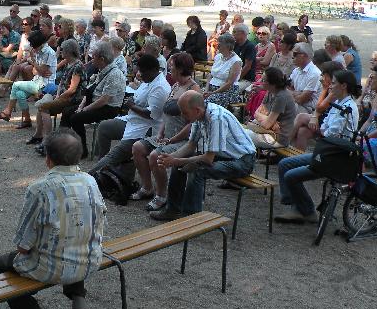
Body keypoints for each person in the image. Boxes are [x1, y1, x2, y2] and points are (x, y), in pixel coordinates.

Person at [0, 130, 105, 309]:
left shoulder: (39, 189)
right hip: (90, 260)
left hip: (51, 267)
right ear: (79, 157)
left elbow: (22, 245)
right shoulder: (91, 181)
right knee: (71, 242)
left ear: (48, 159)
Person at [149, 91, 257, 220]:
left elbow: (208, 158)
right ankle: (173, 210)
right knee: (180, 166)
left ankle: (191, 218)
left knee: (198, 171)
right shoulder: (199, 115)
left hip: (243, 161)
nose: (183, 116)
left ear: (197, 110)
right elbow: (191, 145)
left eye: (184, 113)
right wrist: (170, 158)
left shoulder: (216, 118)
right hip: (224, 155)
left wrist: (176, 160)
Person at [274, 70, 360, 224]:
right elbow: (326, 125)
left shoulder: (348, 107)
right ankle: (295, 205)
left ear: (344, 85)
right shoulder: (339, 103)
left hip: (335, 157)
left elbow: (331, 133)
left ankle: (306, 211)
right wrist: (321, 130)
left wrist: (321, 131)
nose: (330, 86)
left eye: (333, 83)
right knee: (284, 164)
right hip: (325, 150)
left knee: (290, 175)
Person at [130, 53, 199, 211]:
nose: (169, 70)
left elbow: (192, 125)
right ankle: (147, 187)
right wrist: (161, 134)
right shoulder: (175, 86)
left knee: (155, 156)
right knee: (138, 147)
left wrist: (172, 139)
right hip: (167, 135)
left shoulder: (193, 90)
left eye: (172, 67)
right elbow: (165, 114)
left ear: (181, 69)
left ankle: (162, 195)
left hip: (183, 139)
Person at [89, 54, 169, 178]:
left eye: (143, 72)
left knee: (116, 153)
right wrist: (133, 100)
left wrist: (132, 106)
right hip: (133, 121)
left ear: (153, 70)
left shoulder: (160, 87)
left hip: (146, 129)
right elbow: (139, 97)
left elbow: (152, 115)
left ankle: (93, 174)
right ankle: (103, 165)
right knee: (104, 127)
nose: (140, 75)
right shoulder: (149, 80)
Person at [61, 39, 126, 158]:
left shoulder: (114, 74)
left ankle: (82, 150)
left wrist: (85, 109)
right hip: (95, 103)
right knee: (67, 112)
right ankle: (63, 144)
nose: (91, 59)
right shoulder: (102, 70)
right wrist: (81, 106)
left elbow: (104, 100)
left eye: (94, 56)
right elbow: (90, 91)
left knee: (76, 118)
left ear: (102, 59)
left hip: (109, 108)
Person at [29, 39, 86, 150]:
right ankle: (38, 135)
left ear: (69, 51)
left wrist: (59, 98)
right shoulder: (69, 63)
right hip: (63, 95)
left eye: (63, 50)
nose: (61, 52)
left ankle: (47, 141)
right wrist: (58, 92)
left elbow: (72, 89)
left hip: (72, 99)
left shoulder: (78, 66)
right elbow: (61, 82)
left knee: (43, 107)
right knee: (43, 102)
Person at [0, 31, 57, 128]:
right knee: (20, 94)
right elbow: (35, 71)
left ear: (39, 44)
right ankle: (27, 120)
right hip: (37, 80)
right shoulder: (38, 51)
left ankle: (7, 112)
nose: (32, 48)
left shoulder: (48, 53)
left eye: (33, 46)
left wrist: (33, 61)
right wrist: (37, 67)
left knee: (16, 85)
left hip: (45, 85)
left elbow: (40, 70)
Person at [290, 61, 343, 150]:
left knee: (301, 117)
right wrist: (314, 117)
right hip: (323, 118)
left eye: (324, 75)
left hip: (329, 124)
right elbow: (318, 109)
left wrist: (324, 89)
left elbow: (319, 107)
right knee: (302, 132)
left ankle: (284, 143)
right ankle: (295, 158)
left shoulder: (334, 90)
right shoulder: (330, 88)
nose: (321, 78)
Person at [251, 66, 298, 147]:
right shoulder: (270, 91)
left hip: (277, 138)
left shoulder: (281, 97)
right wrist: (270, 120)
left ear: (271, 83)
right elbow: (256, 113)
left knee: (245, 136)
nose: (261, 82)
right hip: (268, 131)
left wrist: (267, 120)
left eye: (264, 80)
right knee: (248, 127)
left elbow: (266, 124)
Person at [204, 33, 242, 107]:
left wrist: (212, 93)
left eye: (220, 44)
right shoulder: (218, 57)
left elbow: (229, 83)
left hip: (227, 91)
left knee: (208, 103)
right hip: (212, 88)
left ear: (227, 46)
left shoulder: (236, 61)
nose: (217, 46)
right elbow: (210, 75)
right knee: (196, 96)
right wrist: (206, 90)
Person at [289, 43, 322, 113]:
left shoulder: (315, 73)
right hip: (297, 104)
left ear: (304, 55)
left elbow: (301, 100)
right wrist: (298, 93)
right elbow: (287, 87)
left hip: (309, 110)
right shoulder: (296, 70)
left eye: (294, 54)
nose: (292, 57)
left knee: (283, 104)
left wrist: (295, 94)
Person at [232, 24, 256, 90]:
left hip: (245, 79)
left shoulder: (250, 46)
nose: (232, 34)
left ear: (242, 33)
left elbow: (247, 67)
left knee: (230, 89)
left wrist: (236, 79)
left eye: (234, 32)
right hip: (233, 76)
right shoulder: (235, 44)